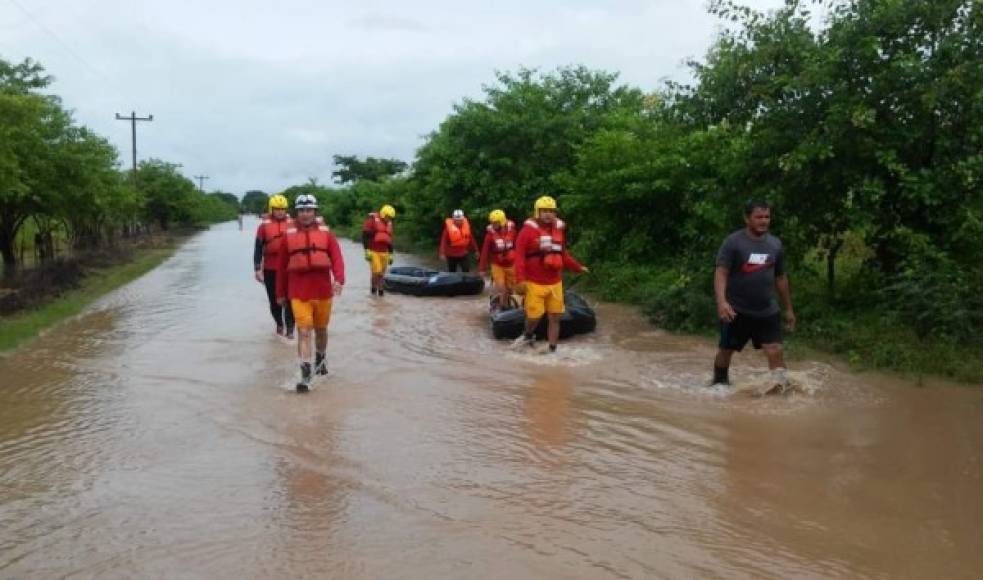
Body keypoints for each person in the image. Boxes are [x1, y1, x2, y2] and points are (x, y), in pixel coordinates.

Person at [712, 200, 796, 391]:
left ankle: (781, 391)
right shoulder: (733, 242)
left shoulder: (775, 244)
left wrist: (788, 309)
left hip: (767, 310)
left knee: (775, 350)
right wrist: (722, 302)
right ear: (747, 218)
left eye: (767, 217)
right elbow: (721, 272)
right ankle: (719, 384)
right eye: (759, 217)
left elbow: (781, 277)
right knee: (726, 351)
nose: (764, 221)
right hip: (736, 310)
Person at [275, 194, 345, 392]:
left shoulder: (327, 234)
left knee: (321, 330)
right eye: (302, 211)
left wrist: (339, 280)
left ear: (315, 212)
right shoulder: (288, 237)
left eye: (309, 210)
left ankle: (321, 360)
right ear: (297, 212)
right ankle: (305, 375)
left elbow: (337, 258)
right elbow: (281, 267)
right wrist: (280, 293)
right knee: (304, 331)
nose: (305, 214)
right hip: (298, 291)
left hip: (323, 291)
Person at [512, 196, 588, 354]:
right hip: (534, 282)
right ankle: (527, 335)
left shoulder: (558, 231)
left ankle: (552, 348)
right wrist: (520, 280)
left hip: (555, 282)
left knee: (555, 316)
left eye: (551, 211)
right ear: (537, 212)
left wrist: (578, 267)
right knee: (534, 316)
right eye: (544, 211)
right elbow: (519, 258)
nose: (548, 214)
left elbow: (563, 255)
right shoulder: (527, 232)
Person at [253, 194, 295, 338]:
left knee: (291, 299)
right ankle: (279, 324)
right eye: (277, 209)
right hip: (270, 268)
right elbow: (258, 248)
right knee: (274, 300)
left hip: (290, 268)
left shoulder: (293, 224)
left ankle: (290, 329)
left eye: (283, 209)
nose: (280, 212)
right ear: (271, 209)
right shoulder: (263, 227)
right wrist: (257, 268)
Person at [479, 209, 517, 310]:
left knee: (510, 289)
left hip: (511, 264)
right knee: (502, 289)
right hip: (497, 265)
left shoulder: (512, 232)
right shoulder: (489, 236)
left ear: (502, 221)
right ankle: (503, 308)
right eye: (492, 223)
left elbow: (519, 246)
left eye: (496, 223)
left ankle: (505, 303)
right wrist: (482, 269)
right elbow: (484, 252)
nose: (493, 225)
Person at [362, 204, 396, 296]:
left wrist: (391, 254)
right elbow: (365, 236)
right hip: (373, 251)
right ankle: (373, 291)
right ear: (383, 214)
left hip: (384, 252)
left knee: (381, 274)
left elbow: (389, 240)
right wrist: (366, 250)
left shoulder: (389, 224)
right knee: (377, 272)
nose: (389, 219)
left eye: (391, 218)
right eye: (388, 217)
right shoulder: (372, 221)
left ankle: (381, 294)